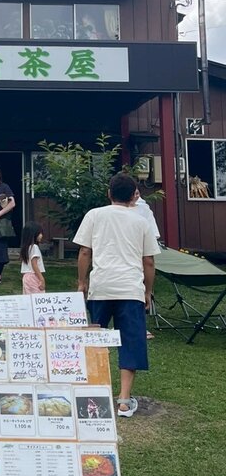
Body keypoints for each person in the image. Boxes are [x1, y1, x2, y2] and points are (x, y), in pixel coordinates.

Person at [73, 172, 160, 419]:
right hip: (131, 288)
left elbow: (85, 252)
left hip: (101, 286)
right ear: (134, 196)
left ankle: (90, 393)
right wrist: (148, 291)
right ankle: (123, 400)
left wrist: (82, 282)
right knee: (130, 341)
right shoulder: (141, 221)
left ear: (108, 193)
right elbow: (149, 262)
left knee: (93, 340)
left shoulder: (94, 215)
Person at [131, 187, 160, 339]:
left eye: (138, 193)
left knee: (139, 291)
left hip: (139, 256)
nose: (136, 196)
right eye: (133, 193)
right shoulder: (110, 210)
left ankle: (140, 327)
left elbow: (152, 235)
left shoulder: (144, 210)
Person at [20, 222, 46, 294]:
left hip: (26, 277)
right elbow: (34, 264)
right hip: (33, 276)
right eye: (40, 233)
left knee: (28, 298)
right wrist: (42, 279)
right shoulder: (34, 247)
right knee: (38, 298)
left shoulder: (27, 248)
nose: (41, 235)